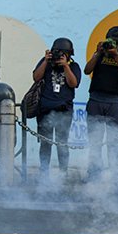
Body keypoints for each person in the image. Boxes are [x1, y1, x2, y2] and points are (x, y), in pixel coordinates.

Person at [84, 26, 118, 182]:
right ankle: (93, 175)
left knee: (114, 141)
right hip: (96, 99)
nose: (114, 45)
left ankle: (116, 176)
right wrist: (97, 54)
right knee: (95, 141)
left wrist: (117, 57)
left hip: (115, 102)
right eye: (111, 41)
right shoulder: (100, 54)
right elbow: (87, 70)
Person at [33, 38, 81, 182]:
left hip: (64, 110)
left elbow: (74, 83)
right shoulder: (46, 62)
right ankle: (43, 173)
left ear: (69, 54)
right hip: (46, 109)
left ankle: (63, 173)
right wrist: (46, 61)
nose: (59, 56)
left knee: (62, 143)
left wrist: (65, 66)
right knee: (45, 143)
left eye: (63, 53)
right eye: (57, 52)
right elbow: (36, 77)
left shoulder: (73, 66)